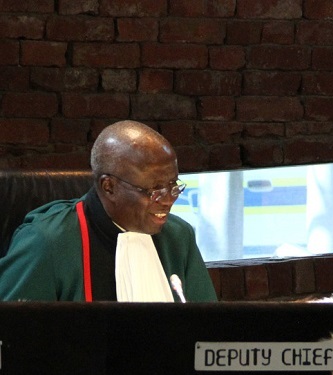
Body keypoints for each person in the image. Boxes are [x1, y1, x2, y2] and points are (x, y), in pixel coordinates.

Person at [0, 120, 217, 302]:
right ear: (109, 187)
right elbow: (12, 337)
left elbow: (207, 331)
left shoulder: (179, 237)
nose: (169, 200)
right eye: (154, 191)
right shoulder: (47, 242)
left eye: (173, 186)